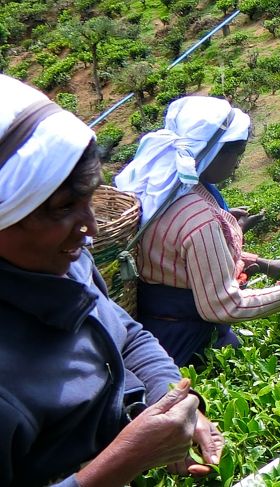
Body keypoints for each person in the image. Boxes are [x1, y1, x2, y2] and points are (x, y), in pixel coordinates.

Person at [0, 75, 223, 486]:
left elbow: (125, 332)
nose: (90, 229)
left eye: (88, 200)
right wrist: (125, 460)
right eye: (63, 208)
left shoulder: (64, 263)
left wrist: (173, 400)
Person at [115, 96, 280, 367]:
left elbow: (187, 262)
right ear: (213, 153)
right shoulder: (198, 215)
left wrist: (260, 264)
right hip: (186, 345)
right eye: (237, 153)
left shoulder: (163, 190)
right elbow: (223, 306)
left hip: (156, 329)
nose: (239, 162)